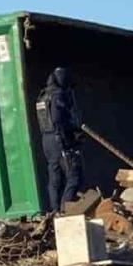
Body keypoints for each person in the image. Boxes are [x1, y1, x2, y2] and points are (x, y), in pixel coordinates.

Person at [35, 66, 83, 212]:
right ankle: (65, 209)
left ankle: (55, 211)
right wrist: (70, 138)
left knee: (54, 177)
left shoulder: (42, 96)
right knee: (74, 175)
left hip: (46, 139)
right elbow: (58, 119)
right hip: (58, 139)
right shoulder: (58, 95)